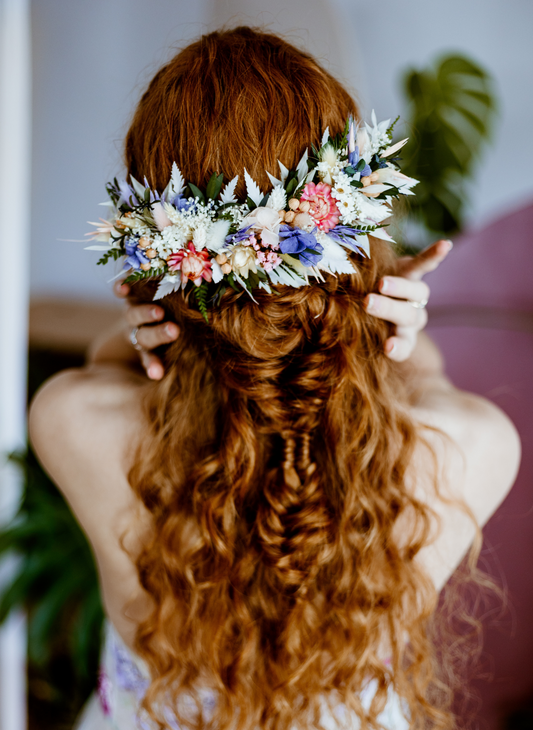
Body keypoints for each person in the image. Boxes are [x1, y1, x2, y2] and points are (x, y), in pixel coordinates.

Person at [29, 27, 520, 730]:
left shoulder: (73, 420)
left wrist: (133, 331)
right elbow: (422, 381)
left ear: (158, 241)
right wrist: (389, 337)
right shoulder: (470, 444)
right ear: (350, 213)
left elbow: (106, 370)